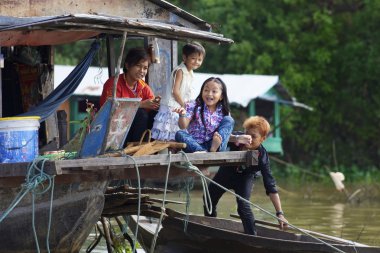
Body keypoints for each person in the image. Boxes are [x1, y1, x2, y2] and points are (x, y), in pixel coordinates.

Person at [204, 116, 288, 235]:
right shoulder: (239, 138)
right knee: (208, 198)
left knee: (243, 207)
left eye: (253, 137)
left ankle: (252, 237)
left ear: (262, 139)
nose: (249, 138)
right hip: (226, 172)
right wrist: (236, 138)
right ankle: (211, 229)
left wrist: (280, 213)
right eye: (247, 134)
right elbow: (218, 136)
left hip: (245, 178)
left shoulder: (262, 157)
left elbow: (270, 185)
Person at [99, 47, 161, 143]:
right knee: (141, 114)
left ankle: (151, 146)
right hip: (114, 133)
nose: (142, 71)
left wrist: (156, 104)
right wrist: (140, 104)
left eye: (145, 68)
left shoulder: (143, 86)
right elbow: (110, 110)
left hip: (135, 131)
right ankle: (136, 148)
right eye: (138, 66)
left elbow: (152, 104)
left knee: (157, 114)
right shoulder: (113, 83)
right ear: (127, 65)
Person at [151, 42, 205, 141]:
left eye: (199, 59)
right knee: (167, 136)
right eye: (193, 58)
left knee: (176, 135)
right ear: (184, 57)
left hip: (179, 107)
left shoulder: (190, 72)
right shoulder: (180, 71)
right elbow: (175, 92)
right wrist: (185, 105)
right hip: (171, 107)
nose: (196, 62)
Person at [174, 77, 234, 152]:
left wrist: (238, 138)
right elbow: (183, 126)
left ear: (221, 96)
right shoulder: (193, 105)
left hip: (214, 144)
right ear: (201, 92)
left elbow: (226, 134)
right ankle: (202, 151)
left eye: (214, 91)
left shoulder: (224, 111)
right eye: (206, 90)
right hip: (195, 144)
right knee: (179, 134)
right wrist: (182, 115)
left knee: (229, 119)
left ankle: (215, 148)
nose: (209, 94)